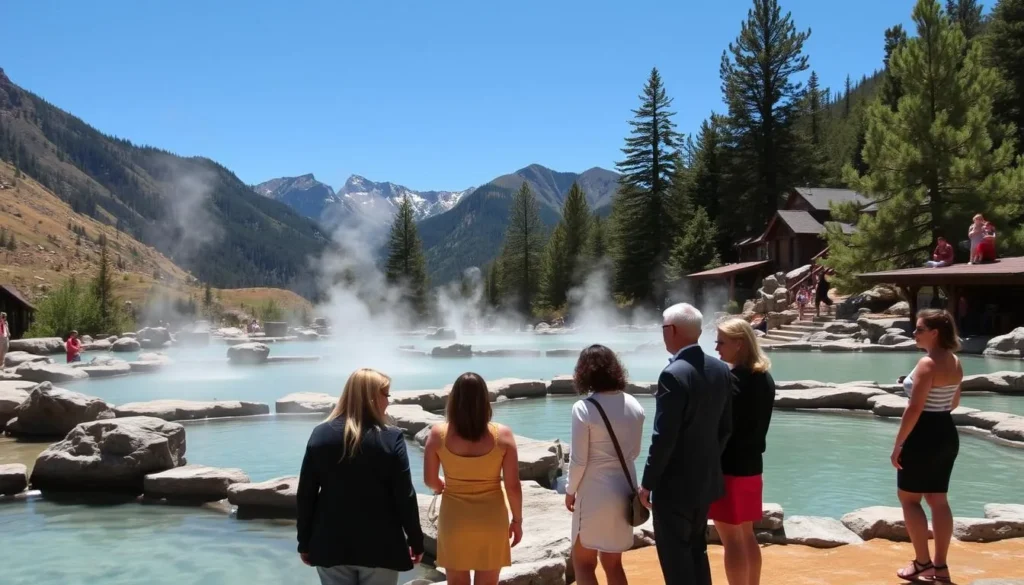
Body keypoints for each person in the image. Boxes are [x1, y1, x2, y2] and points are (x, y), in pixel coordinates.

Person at [296, 368, 424, 585]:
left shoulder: (320, 434)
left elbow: (306, 494)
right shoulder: (391, 438)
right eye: (386, 395)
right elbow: (405, 495)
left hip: (330, 542)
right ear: (373, 397)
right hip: (381, 545)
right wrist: (416, 540)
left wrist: (304, 542)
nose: (388, 402)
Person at [639, 303, 735, 585]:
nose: (662, 334)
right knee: (697, 550)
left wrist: (648, 483)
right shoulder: (720, 369)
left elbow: (663, 436)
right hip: (705, 483)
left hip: (674, 488)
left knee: (676, 558)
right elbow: (726, 428)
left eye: (663, 328)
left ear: (674, 331)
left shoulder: (673, 374)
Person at [424, 373, 523, 585]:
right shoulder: (503, 435)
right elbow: (513, 486)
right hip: (491, 519)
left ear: (454, 401)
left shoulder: (437, 435)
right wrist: (517, 520)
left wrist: (443, 485)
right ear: (484, 401)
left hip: (455, 519)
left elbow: (430, 480)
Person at [892, 310, 963, 584]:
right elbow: (953, 402)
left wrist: (899, 444)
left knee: (909, 499)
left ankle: (922, 562)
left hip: (922, 434)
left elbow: (914, 408)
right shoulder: (955, 361)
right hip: (946, 431)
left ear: (935, 332)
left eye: (919, 329)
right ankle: (941, 567)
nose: (914, 333)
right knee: (939, 500)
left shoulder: (926, 363)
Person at [565, 345, 645, 585]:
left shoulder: (584, 408)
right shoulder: (634, 405)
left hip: (594, 493)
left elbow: (579, 459)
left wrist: (570, 491)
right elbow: (635, 452)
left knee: (583, 563)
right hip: (624, 491)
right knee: (614, 564)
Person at [711, 318, 776, 585]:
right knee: (747, 535)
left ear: (739, 344)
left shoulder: (732, 381)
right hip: (752, 466)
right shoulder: (765, 378)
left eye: (721, 342)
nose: (716, 348)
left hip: (729, 468)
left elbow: (722, 428)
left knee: (731, 539)